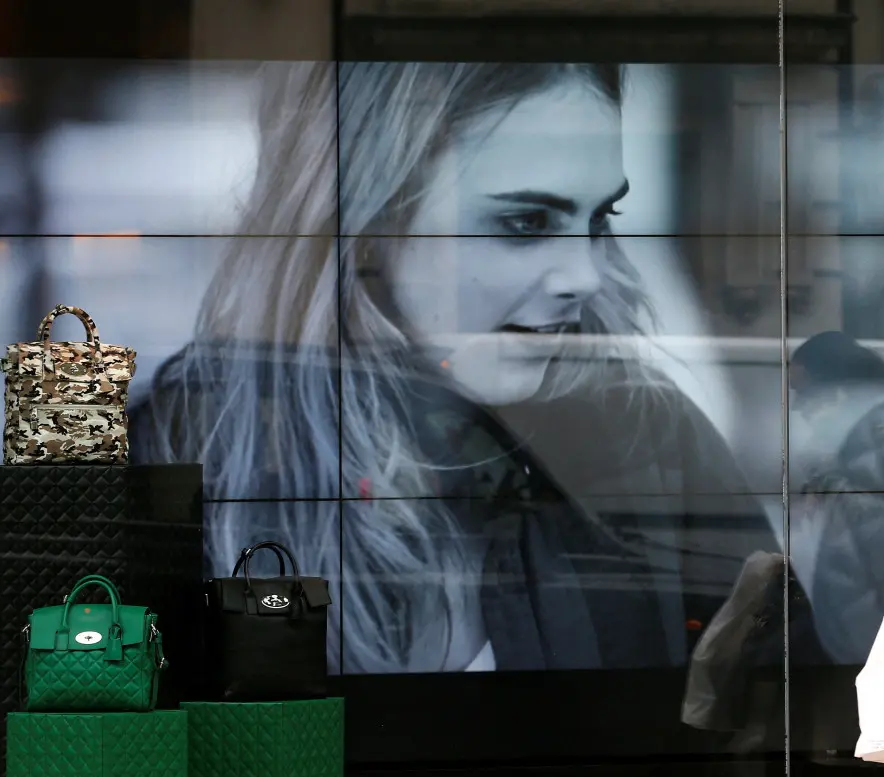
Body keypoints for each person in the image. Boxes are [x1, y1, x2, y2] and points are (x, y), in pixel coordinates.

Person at [128, 61, 776, 675]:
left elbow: (772, 718)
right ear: (372, 222)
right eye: (524, 223)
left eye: (600, 218)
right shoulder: (190, 455)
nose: (586, 274)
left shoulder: (643, 438)